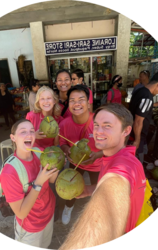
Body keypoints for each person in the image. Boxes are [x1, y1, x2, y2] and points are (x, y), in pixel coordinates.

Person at [60, 104, 146, 249]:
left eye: (107, 126)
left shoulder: (124, 165)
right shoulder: (115, 155)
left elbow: (115, 182)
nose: (98, 132)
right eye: (96, 125)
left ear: (126, 131)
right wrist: (90, 190)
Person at [0, 119, 59, 248]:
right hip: (30, 226)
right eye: (23, 131)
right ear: (13, 138)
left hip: (48, 214)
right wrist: (37, 183)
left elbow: (52, 180)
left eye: (32, 131)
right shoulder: (10, 172)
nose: (29, 134)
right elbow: (21, 213)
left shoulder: (40, 152)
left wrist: (56, 163)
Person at [59, 85, 103, 225]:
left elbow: (114, 145)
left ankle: (97, 213)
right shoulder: (65, 123)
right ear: (68, 103)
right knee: (70, 188)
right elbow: (62, 142)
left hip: (97, 164)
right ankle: (68, 207)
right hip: (76, 162)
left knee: (98, 191)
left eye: (81, 99)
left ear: (88, 102)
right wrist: (66, 151)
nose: (77, 103)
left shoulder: (99, 121)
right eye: (72, 100)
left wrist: (98, 155)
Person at [129, 70, 158, 164]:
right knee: (136, 163)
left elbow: (139, 107)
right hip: (136, 136)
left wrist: (154, 104)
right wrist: (137, 140)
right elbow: (138, 121)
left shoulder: (140, 91)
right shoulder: (147, 96)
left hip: (131, 133)